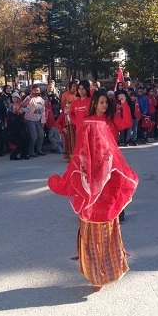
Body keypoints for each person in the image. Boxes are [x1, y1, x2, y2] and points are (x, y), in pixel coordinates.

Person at [48, 118, 138, 292]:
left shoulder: (80, 160)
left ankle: (96, 279)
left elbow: (67, 184)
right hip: (108, 210)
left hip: (90, 212)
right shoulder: (110, 157)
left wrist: (53, 181)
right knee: (108, 241)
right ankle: (111, 270)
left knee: (92, 244)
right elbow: (125, 179)